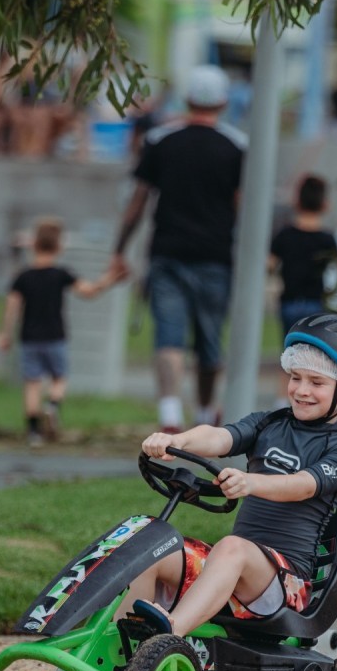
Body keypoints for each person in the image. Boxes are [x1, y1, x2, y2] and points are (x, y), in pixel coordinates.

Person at [120, 314, 337, 641]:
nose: (301, 390)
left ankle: (166, 637)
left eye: (316, 383)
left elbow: (301, 485)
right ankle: (121, 651)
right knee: (151, 549)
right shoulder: (269, 423)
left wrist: (251, 482)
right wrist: (179, 441)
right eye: (296, 378)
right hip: (234, 567)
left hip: (287, 586)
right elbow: (219, 437)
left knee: (232, 548)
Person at [105, 64, 247, 432]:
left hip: (167, 250)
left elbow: (138, 201)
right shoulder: (237, 147)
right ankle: (203, 413)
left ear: (188, 100)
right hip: (216, 255)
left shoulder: (159, 141)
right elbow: (242, 206)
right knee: (209, 339)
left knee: (169, 335)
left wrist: (120, 247)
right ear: (223, 102)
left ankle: (170, 414)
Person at [0, 218, 105, 446]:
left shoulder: (23, 276)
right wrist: (109, 279)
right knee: (59, 377)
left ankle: (33, 433)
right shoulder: (61, 273)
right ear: (59, 247)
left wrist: (6, 335)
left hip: (29, 339)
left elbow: (12, 308)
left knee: (32, 383)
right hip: (56, 336)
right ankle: (53, 405)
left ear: (34, 245)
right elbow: (88, 291)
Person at [269, 175, 337, 342]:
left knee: (290, 352)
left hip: (289, 301)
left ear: (297, 202)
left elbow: (269, 265)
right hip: (315, 303)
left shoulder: (285, 235)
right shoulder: (327, 239)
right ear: (324, 205)